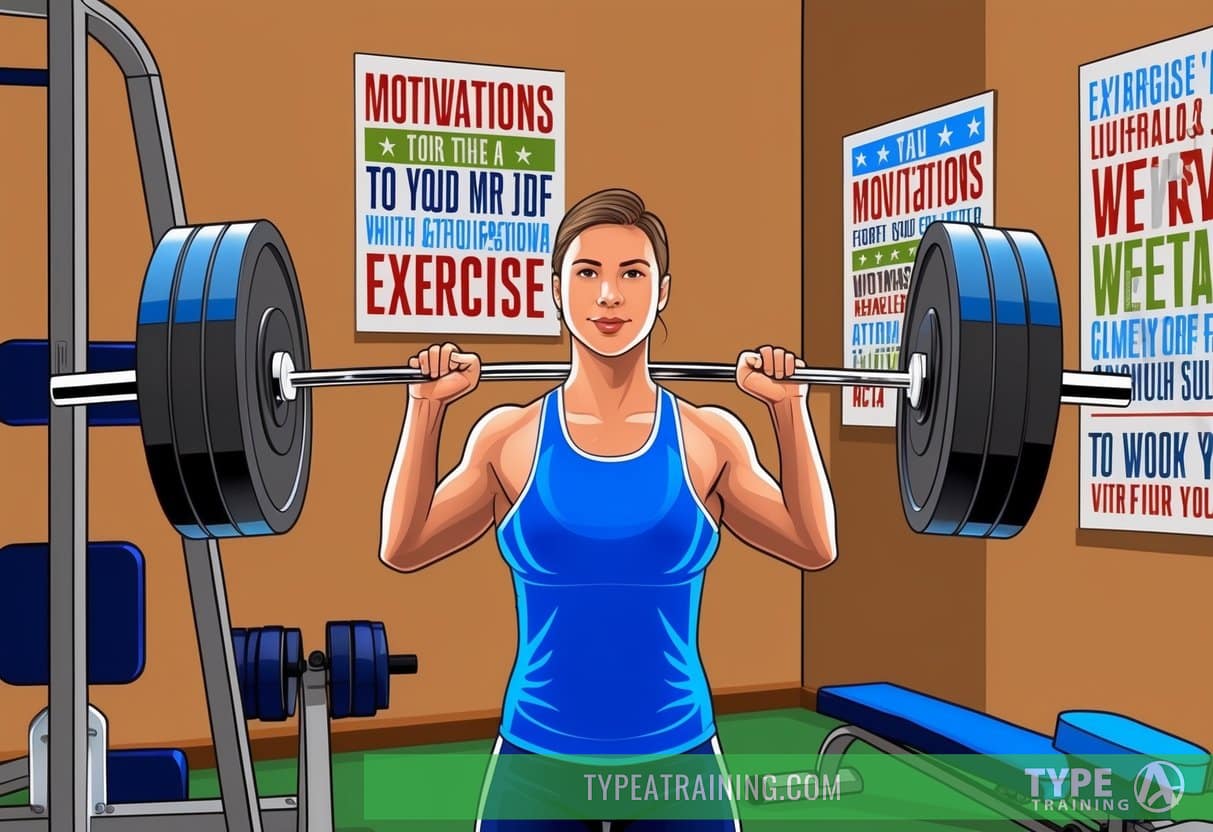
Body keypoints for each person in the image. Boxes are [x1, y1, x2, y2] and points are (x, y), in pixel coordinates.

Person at [379, 188, 838, 831]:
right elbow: (403, 547)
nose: (609, 297)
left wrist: (791, 411)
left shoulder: (710, 438)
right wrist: (424, 409)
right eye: (587, 273)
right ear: (555, 289)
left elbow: (814, 547)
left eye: (632, 273)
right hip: (537, 758)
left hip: (676, 761)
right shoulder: (507, 439)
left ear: (664, 291)